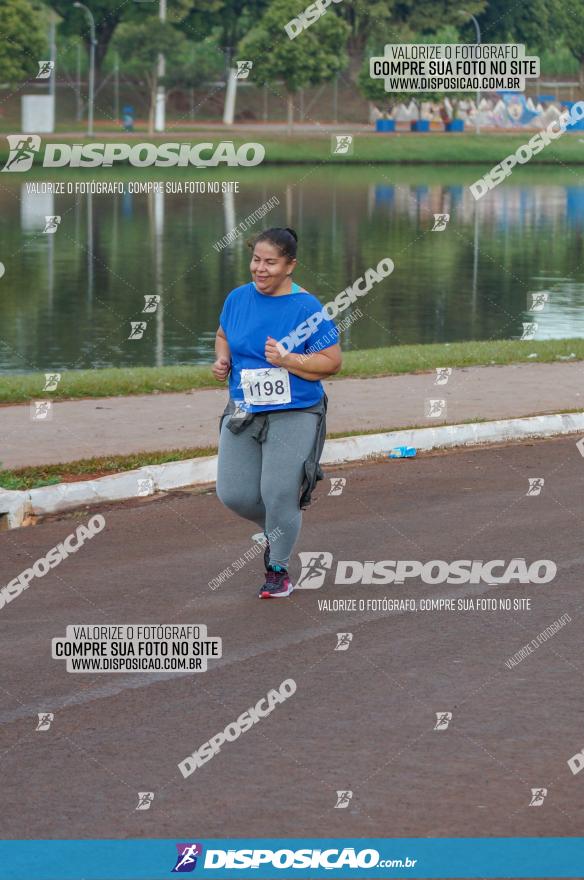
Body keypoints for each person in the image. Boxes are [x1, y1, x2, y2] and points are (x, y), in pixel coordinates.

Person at [213, 227, 342, 598]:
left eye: (271, 262)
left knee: (277, 491)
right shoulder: (237, 299)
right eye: (256, 260)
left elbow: (331, 362)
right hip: (244, 408)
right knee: (233, 493)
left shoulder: (306, 308)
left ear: (290, 266)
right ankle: (279, 525)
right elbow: (224, 335)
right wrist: (222, 359)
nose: (261, 268)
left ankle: (278, 570)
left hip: (297, 410)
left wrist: (289, 359)